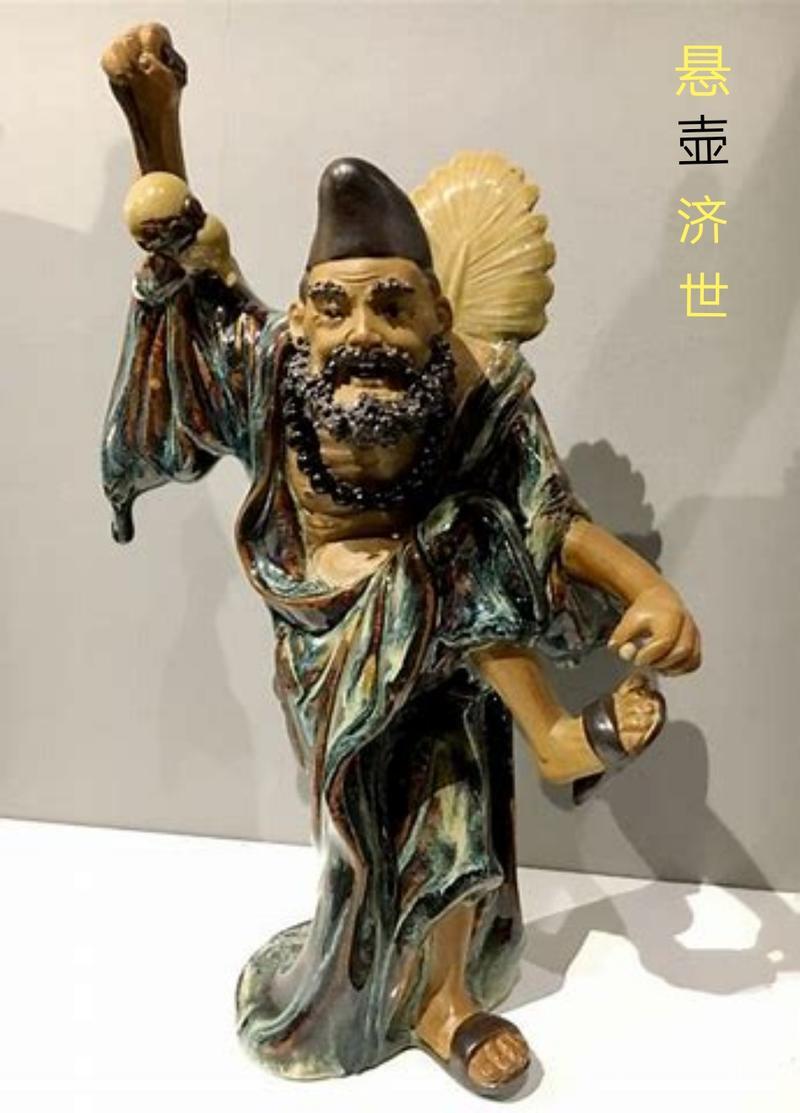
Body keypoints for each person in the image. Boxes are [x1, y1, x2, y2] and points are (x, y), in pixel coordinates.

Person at [101, 24, 701, 1100]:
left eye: (391, 304)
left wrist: (646, 586)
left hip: (460, 651)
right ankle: (558, 741)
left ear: (438, 314)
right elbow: (186, 285)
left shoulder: (474, 390)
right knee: (380, 813)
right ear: (300, 313)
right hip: (327, 636)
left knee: (450, 806)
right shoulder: (275, 369)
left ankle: (446, 1002)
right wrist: (155, 128)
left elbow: (545, 516)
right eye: (333, 306)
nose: (360, 332)